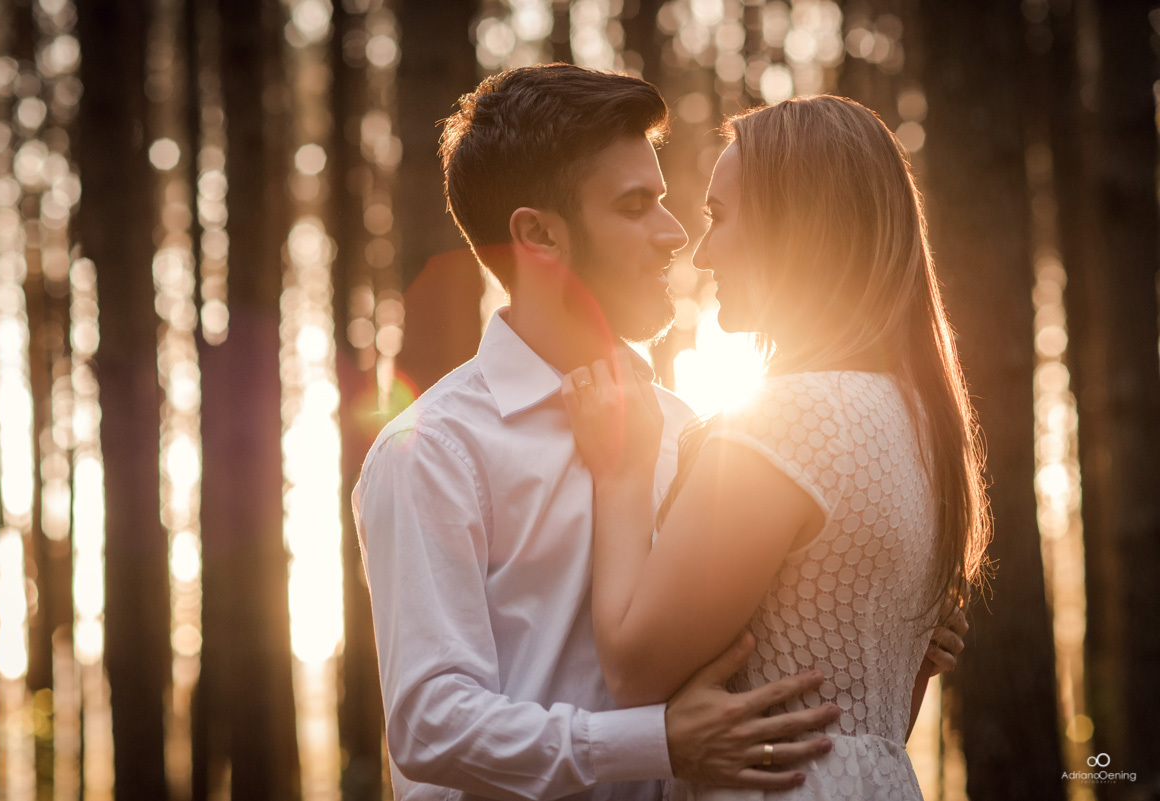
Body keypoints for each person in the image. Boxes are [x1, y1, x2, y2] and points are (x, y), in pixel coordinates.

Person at [355, 66, 966, 800]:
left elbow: (775, 683)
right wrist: (657, 742)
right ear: (540, 236)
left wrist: (894, 641)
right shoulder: (436, 450)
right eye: (636, 206)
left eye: (669, 203)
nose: (676, 235)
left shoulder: (697, 433)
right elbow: (430, 725)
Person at [560, 95, 989, 800]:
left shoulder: (789, 418)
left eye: (720, 219)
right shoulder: (918, 419)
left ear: (799, 226)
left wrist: (623, 470)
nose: (701, 251)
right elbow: (862, 722)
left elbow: (634, 668)